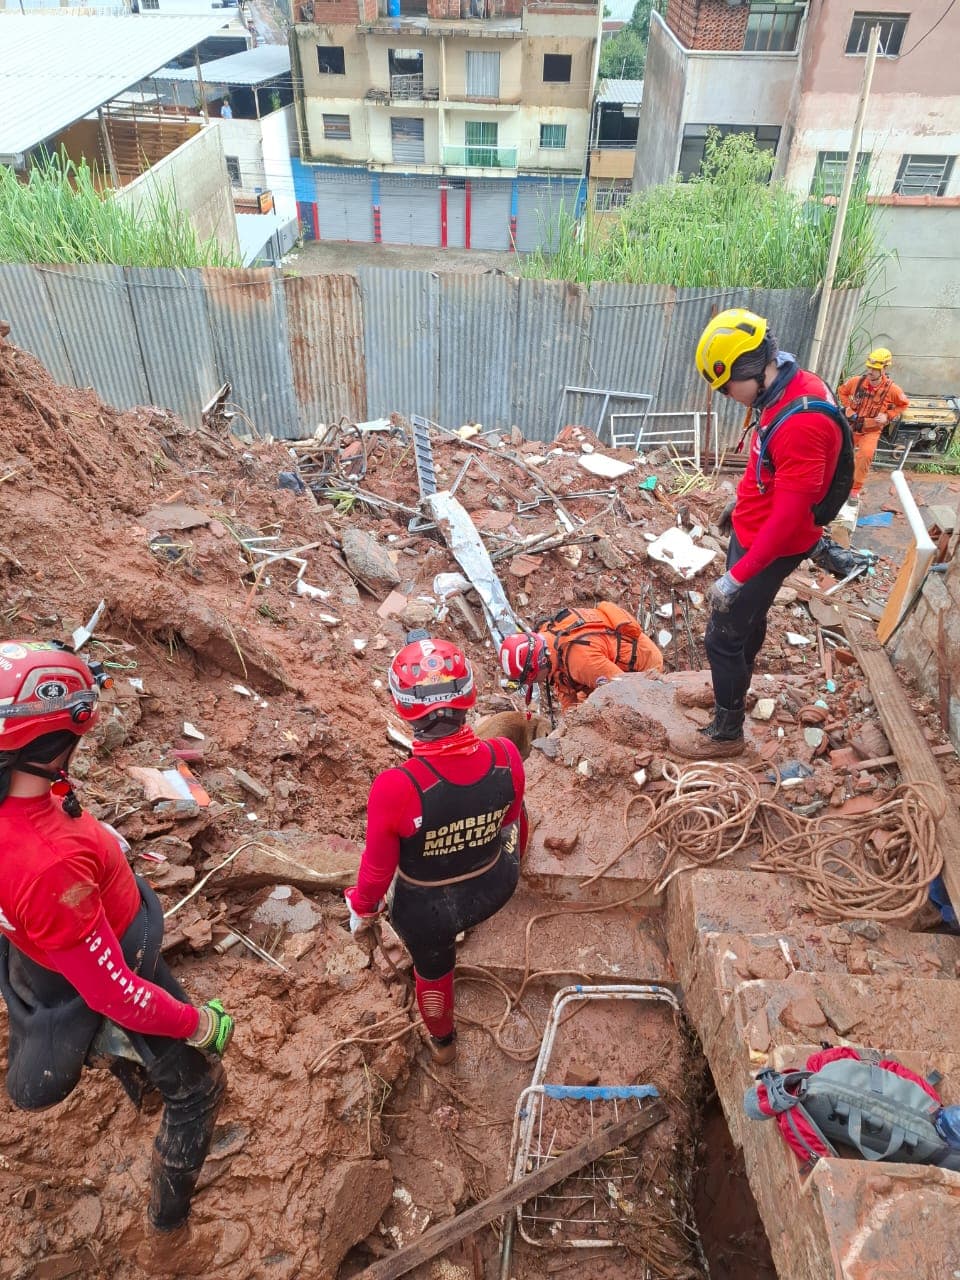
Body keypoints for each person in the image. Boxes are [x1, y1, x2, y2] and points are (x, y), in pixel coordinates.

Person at [0, 640, 234, 1234]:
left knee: (127, 1031)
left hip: (40, 955)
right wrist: (197, 1024)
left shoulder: (27, 822)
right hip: (108, 961)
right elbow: (116, 993)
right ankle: (168, 1228)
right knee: (198, 1089)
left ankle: (134, 1068)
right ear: (62, 739)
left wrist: (90, 839)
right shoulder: (51, 864)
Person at [344, 636, 527, 1065]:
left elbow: (376, 873)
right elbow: (508, 818)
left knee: (433, 971)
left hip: (427, 914)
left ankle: (444, 1045)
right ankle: (519, 865)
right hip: (496, 883)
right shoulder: (505, 755)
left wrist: (362, 909)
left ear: (402, 707)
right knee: (518, 813)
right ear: (469, 696)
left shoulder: (395, 788)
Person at [692, 308, 851, 756]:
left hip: (772, 544)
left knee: (721, 638)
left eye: (727, 386)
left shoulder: (803, 423)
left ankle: (726, 732)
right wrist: (742, 503)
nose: (726, 395)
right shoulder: (786, 388)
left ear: (750, 369)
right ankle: (733, 689)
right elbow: (772, 466)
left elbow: (788, 520)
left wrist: (737, 577)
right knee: (747, 621)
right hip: (755, 529)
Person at [498, 602, 663, 716]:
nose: (537, 683)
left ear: (538, 665)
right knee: (581, 712)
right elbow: (564, 689)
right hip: (603, 667)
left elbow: (624, 690)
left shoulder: (582, 662)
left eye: (533, 679)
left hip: (643, 664)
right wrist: (568, 726)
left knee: (608, 714)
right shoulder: (547, 641)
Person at [837, 348, 909, 508]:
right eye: (869, 367)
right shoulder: (857, 382)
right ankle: (836, 484)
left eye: (874, 369)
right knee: (840, 453)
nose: (870, 371)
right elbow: (842, 391)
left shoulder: (892, 390)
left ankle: (854, 490)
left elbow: (903, 404)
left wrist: (888, 416)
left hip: (871, 431)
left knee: (865, 455)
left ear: (884, 368)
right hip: (852, 426)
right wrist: (848, 407)